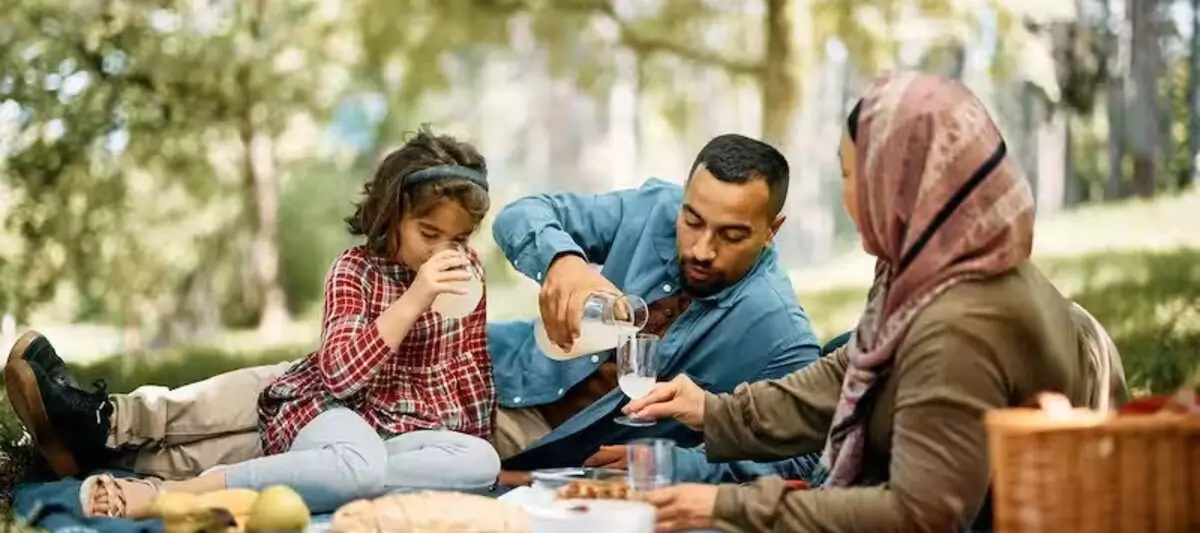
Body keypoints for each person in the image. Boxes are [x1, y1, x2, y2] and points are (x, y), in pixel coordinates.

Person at [621, 72, 1104, 532]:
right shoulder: (935, 262)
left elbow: (919, 517)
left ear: (899, 186)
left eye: (853, 174)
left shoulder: (960, 325)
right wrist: (712, 410)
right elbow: (846, 375)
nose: (847, 194)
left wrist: (727, 507)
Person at [5, 127, 501, 517]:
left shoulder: (467, 274)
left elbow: (471, 370)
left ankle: (324, 475)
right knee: (348, 458)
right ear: (390, 214)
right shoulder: (357, 270)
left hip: (405, 437)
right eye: (429, 233)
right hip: (336, 415)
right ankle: (163, 483)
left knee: (481, 462)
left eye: (457, 240)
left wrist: (473, 449)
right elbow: (341, 376)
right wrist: (415, 297)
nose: (444, 252)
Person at [487, 133, 822, 480]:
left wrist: (674, 464)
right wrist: (562, 261)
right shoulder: (653, 208)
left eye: (732, 235)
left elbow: (804, 459)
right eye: (692, 221)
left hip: (563, 466)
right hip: (497, 381)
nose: (701, 250)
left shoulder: (780, 331)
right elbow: (521, 214)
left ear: (772, 230)